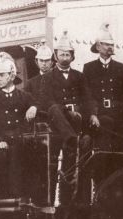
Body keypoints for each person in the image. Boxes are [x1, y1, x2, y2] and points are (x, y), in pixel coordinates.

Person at [39, 31, 98, 184]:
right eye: (62, 54)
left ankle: (81, 181)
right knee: (54, 108)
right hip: (58, 120)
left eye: (68, 55)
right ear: (56, 56)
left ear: (72, 57)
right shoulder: (47, 77)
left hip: (78, 118)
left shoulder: (79, 76)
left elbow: (88, 98)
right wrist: (66, 112)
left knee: (87, 140)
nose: (65, 58)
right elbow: (46, 100)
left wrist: (93, 114)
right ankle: (71, 139)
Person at [0, 53, 38, 198]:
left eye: (2, 75)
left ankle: (23, 197)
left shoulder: (24, 96)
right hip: (3, 141)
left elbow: (38, 103)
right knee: (3, 156)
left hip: (22, 139)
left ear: (11, 76)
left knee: (23, 155)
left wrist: (34, 107)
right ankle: (7, 196)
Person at [83, 23, 123, 151]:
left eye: (112, 45)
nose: (110, 47)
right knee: (103, 148)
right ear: (98, 47)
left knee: (120, 150)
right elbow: (86, 95)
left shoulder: (121, 68)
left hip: (120, 117)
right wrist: (91, 115)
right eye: (107, 44)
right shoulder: (89, 68)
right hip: (100, 117)